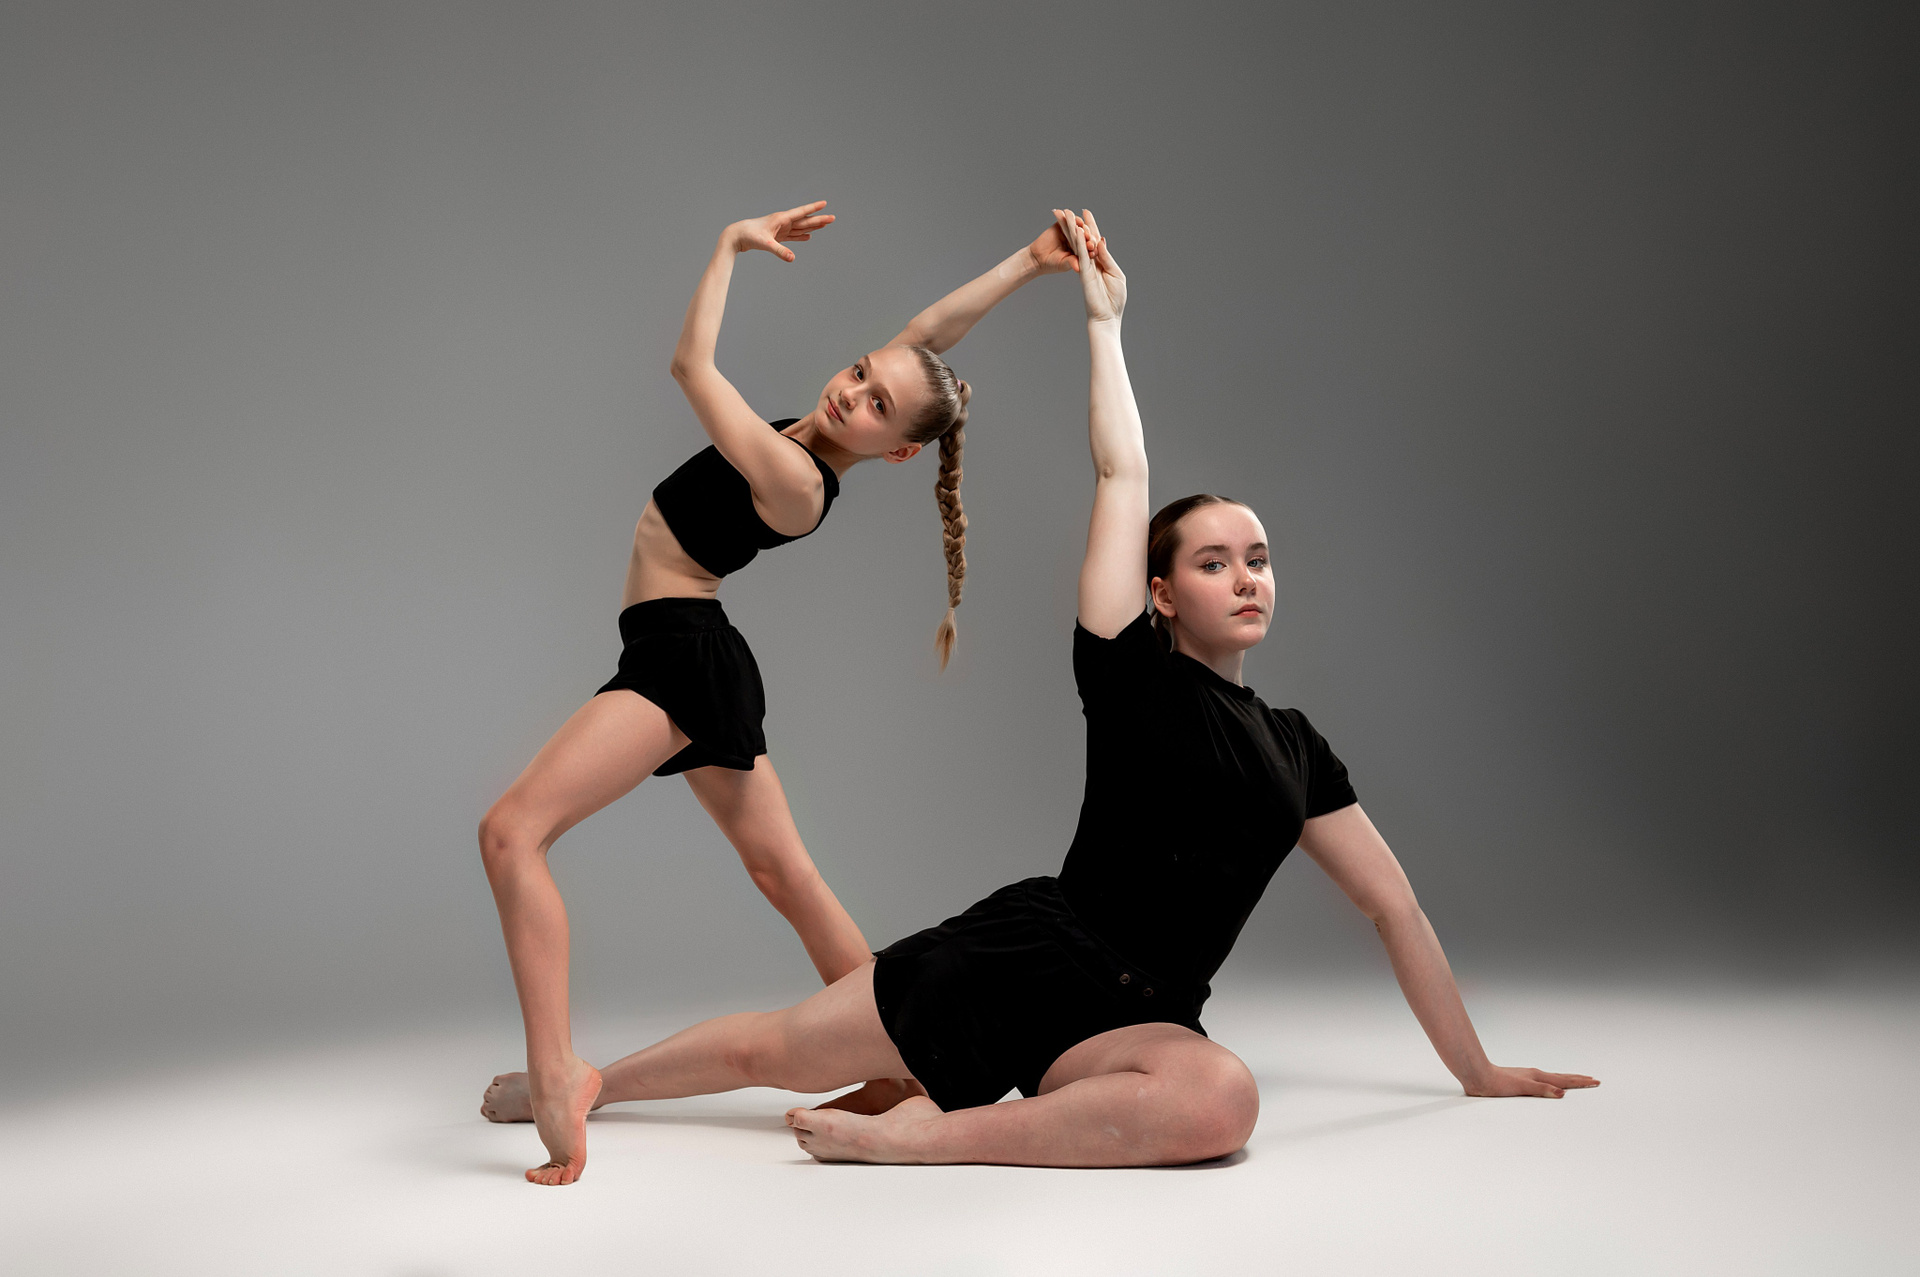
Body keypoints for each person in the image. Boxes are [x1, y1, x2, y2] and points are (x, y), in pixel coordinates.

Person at [481, 209, 1597, 1175]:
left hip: (1141, 1014)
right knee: (772, 1047)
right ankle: (583, 1081)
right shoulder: (1127, 665)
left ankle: (920, 1135)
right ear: (1158, 593)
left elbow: (1394, 907)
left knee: (1223, 1100)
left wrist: (1479, 1068)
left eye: (1259, 559)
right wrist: (1097, 318)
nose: (1247, 577)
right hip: (1026, 957)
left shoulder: (1299, 749)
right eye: (1215, 562)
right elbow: (1119, 468)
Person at [479, 203, 1083, 1185]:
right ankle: (905, 1061)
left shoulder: (798, 481)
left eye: (878, 407)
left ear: (897, 450)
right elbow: (928, 336)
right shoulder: (821, 421)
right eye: (860, 373)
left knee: (512, 833)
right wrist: (1029, 260)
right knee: (785, 875)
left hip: (680, 657)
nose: (853, 395)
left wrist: (727, 244)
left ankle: (558, 1076)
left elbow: (690, 367)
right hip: (690, 650)